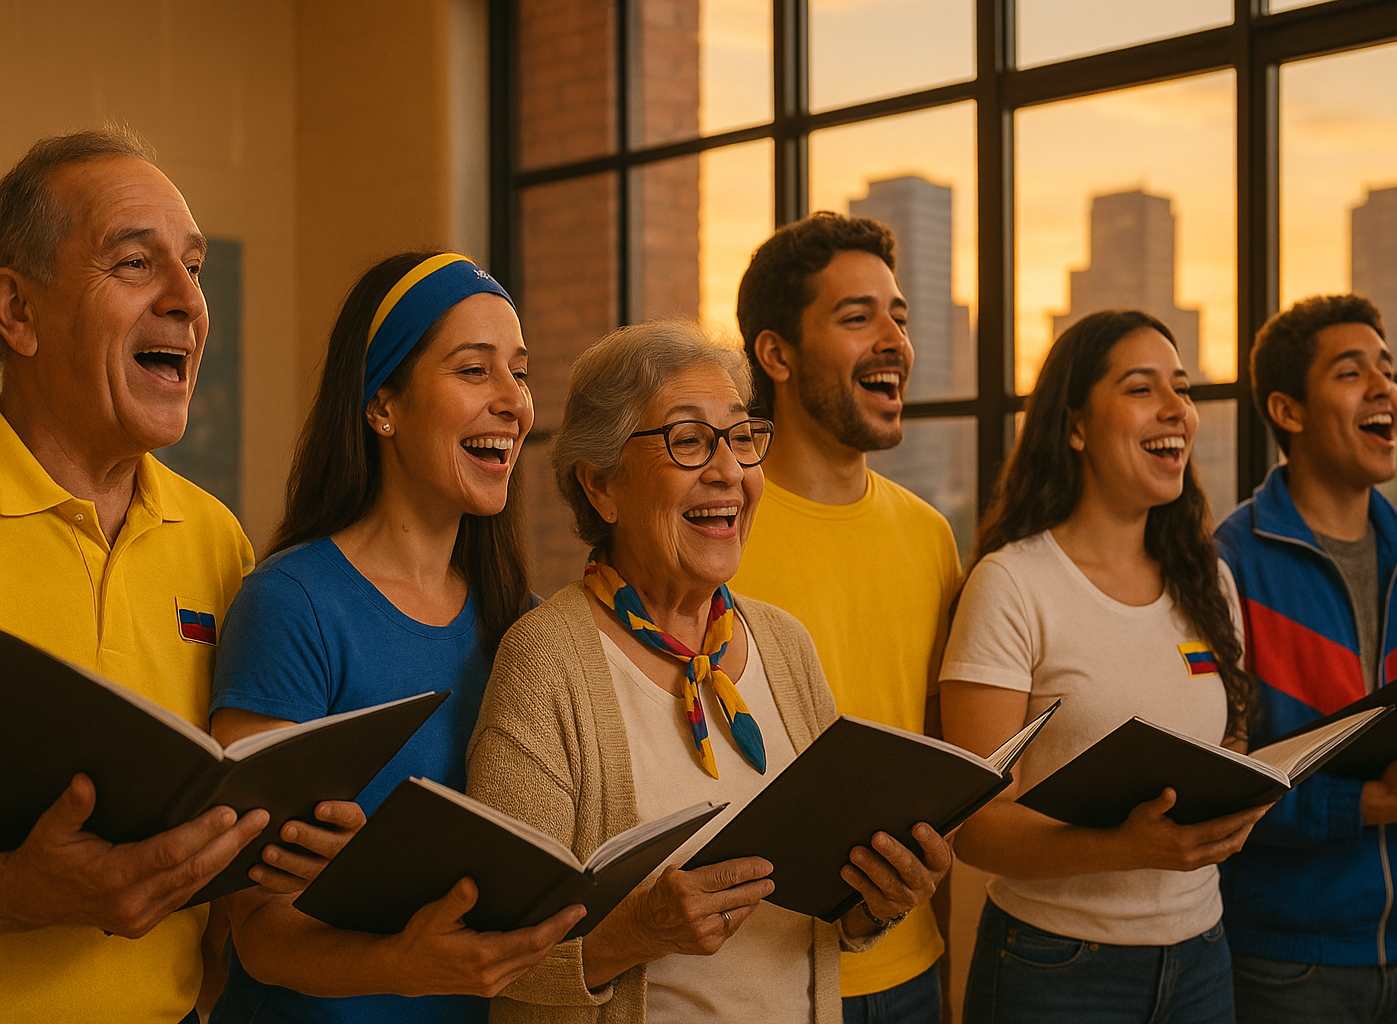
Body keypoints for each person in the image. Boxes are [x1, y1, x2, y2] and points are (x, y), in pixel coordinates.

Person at [468, 319, 953, 1024]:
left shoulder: (784, 644)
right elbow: (496, 956)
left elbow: (821, 917)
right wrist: (633, 935)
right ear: (601, 486)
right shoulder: (544, 661)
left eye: (740, 438)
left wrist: (872, 900)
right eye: (689, 441)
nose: (729, 472)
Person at [0, 127, 341, 1023]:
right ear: (16, 310)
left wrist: (283, 852)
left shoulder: (219, 541)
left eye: (191, 267)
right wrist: (17, 897)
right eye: (134, 263)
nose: (189, 300)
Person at [205, 251, 584, 1024]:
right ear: (383, 404)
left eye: (519, 372)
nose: (513, 401)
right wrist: (401, 962)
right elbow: (258, 933)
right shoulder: (291, 604)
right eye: (474, 371)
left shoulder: (522, 624)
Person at [940, 309, 1269, 1024]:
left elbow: (1232, 738)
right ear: (1077, 426)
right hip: (1056, 968)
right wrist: (1123, 847)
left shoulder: (1208, 578)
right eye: (1142, 388)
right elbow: (973, 828)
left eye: (1181, 389)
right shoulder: (1012, 584)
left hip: (1201, 957)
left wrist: (1232, 799)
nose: (1177, 409)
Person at [1214, 294, 1397, 1024]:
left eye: (1388, 370)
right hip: (1284, 963)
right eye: (1352, 373)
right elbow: (1221, 789)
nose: (1383, 388)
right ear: (1288, 410)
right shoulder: (1227, 567)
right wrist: (1375, 803)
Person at [730, 211, 959, 1023]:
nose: (893, 337)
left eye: (898, 315)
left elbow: (944, 762)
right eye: (857, 317)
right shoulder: (719, 528)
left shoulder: (931, 536)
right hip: (754, 976)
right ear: (777, 354)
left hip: (907, 974)